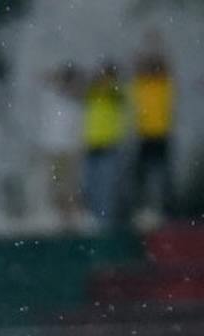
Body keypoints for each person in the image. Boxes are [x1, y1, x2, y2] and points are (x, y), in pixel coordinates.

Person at [35, 62, 87, 233]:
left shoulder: (75, 102)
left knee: (69, 186)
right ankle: (62, 218)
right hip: (54, 150)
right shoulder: (52, 98)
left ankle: (70, 219)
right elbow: (41, 78)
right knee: (56, 186)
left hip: (69, 151)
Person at [128, 44, 175, 231]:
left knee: (164, 176)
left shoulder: (163, 85)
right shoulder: (141, 85)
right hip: (145, 136)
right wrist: (146, 48)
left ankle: (167, 209)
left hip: (161, 135)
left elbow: (166, 65)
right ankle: (143, 209)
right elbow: (136, 65)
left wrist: (156, 45)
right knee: (142, 176)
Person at [80, 60, 128, 233]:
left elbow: (117, 92)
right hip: (92, 145)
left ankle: (105, 223)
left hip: (109, 145)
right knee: (90, 186)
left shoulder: (115, 93)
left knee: (106, 188)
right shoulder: (94, 93)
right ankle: (94, 220)